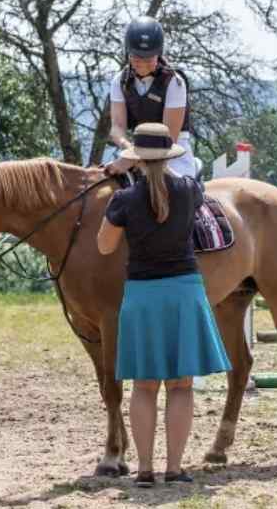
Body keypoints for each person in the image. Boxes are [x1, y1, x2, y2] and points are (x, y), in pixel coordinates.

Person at [97, 123, 231, 487]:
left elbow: (105, 247)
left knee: (143, 387)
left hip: (142, 294)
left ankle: (144, 470)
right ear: (170, 155)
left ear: (136, 159)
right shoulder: (190, 191)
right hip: (184, 291)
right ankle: (174, 468)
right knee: (181, 386)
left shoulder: (122, 200)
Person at [107, 17, 197, 178]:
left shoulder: (175, 83)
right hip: (136, 149)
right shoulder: (119, 81)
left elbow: (170, 137)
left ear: (158, 54)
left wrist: (135, 158)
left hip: (173, 153)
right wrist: (128, 150)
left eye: (148, 58)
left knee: (178, 196)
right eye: (136, 57)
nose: (141, 63)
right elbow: (117, 127)